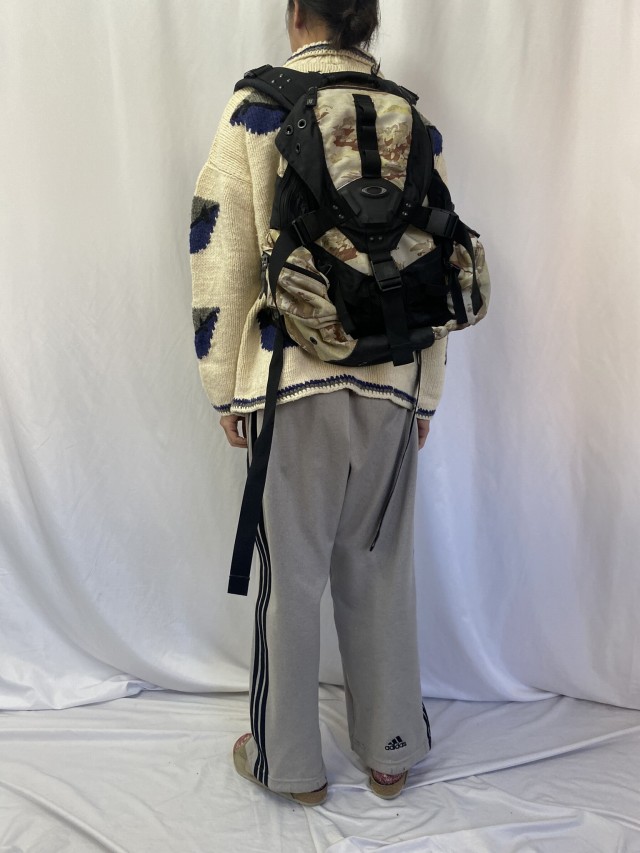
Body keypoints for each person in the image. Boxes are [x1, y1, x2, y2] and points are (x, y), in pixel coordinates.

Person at [189, 0, 450, 805]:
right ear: (367, 20)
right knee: (381, 566)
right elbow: (434, 262)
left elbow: (221, 248)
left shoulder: (256, 107)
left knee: (292, 577)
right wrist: (425, 396)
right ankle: (391, 750)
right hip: (393, 379)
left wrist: (223, 385)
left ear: (296, 11)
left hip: (288, 382)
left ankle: (292, 764)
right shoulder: (411, 119)